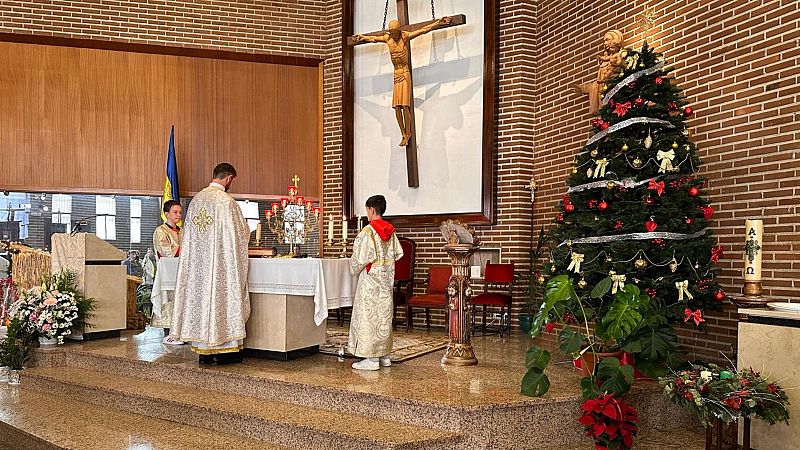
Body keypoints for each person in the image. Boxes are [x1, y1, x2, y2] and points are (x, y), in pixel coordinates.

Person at [170, 163, 251, 365]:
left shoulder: (196, 201)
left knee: (202, 301)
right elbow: (240, 236)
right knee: (221, 299)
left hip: (198, 268)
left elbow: (188, 238)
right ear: (229, 178)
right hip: (221, 267)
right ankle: (225, 351)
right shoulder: (226, 202)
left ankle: (204, 351)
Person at [352, 16, 451, 146]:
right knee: (396, 107)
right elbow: (373, 39)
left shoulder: (405, 37)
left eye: (395, 32)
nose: (393, 35)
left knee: (405, 105)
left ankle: (408, 132)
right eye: (391, 32)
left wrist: (438, 22)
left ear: (399, 31)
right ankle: (403, 133)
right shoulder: (388, 39)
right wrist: (361, 37)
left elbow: (423, 30)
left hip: (404, 74)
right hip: (396, 74)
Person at [348, 195, 403, 370]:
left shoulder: (368, 232)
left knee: (368, 316)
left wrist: (353, 266)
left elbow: (358, 261)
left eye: (367, 210)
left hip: (371, 280)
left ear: (371, 210)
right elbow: (397, 254)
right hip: (386, 279)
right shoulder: (391, 231)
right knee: (383, 316)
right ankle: (384, 356)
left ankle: (371, 360)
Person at [150, 200, 184, 345]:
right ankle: (168, 333)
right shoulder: (161, 231)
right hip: (168, 272)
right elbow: (168, 252)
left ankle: (181, 331)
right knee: (169, 300)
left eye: (180, 212)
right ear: (166, 214)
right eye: (175, 212)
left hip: (182, 272)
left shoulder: (183, 231)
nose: (178, 215)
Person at [575, 30, 625, 114]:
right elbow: (598, 83)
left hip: (614, 95)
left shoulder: (621, 56)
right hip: (602, 94)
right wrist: (583, 88)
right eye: (604, 40)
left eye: (607, 39)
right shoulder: (605, 61)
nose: (605, 43)